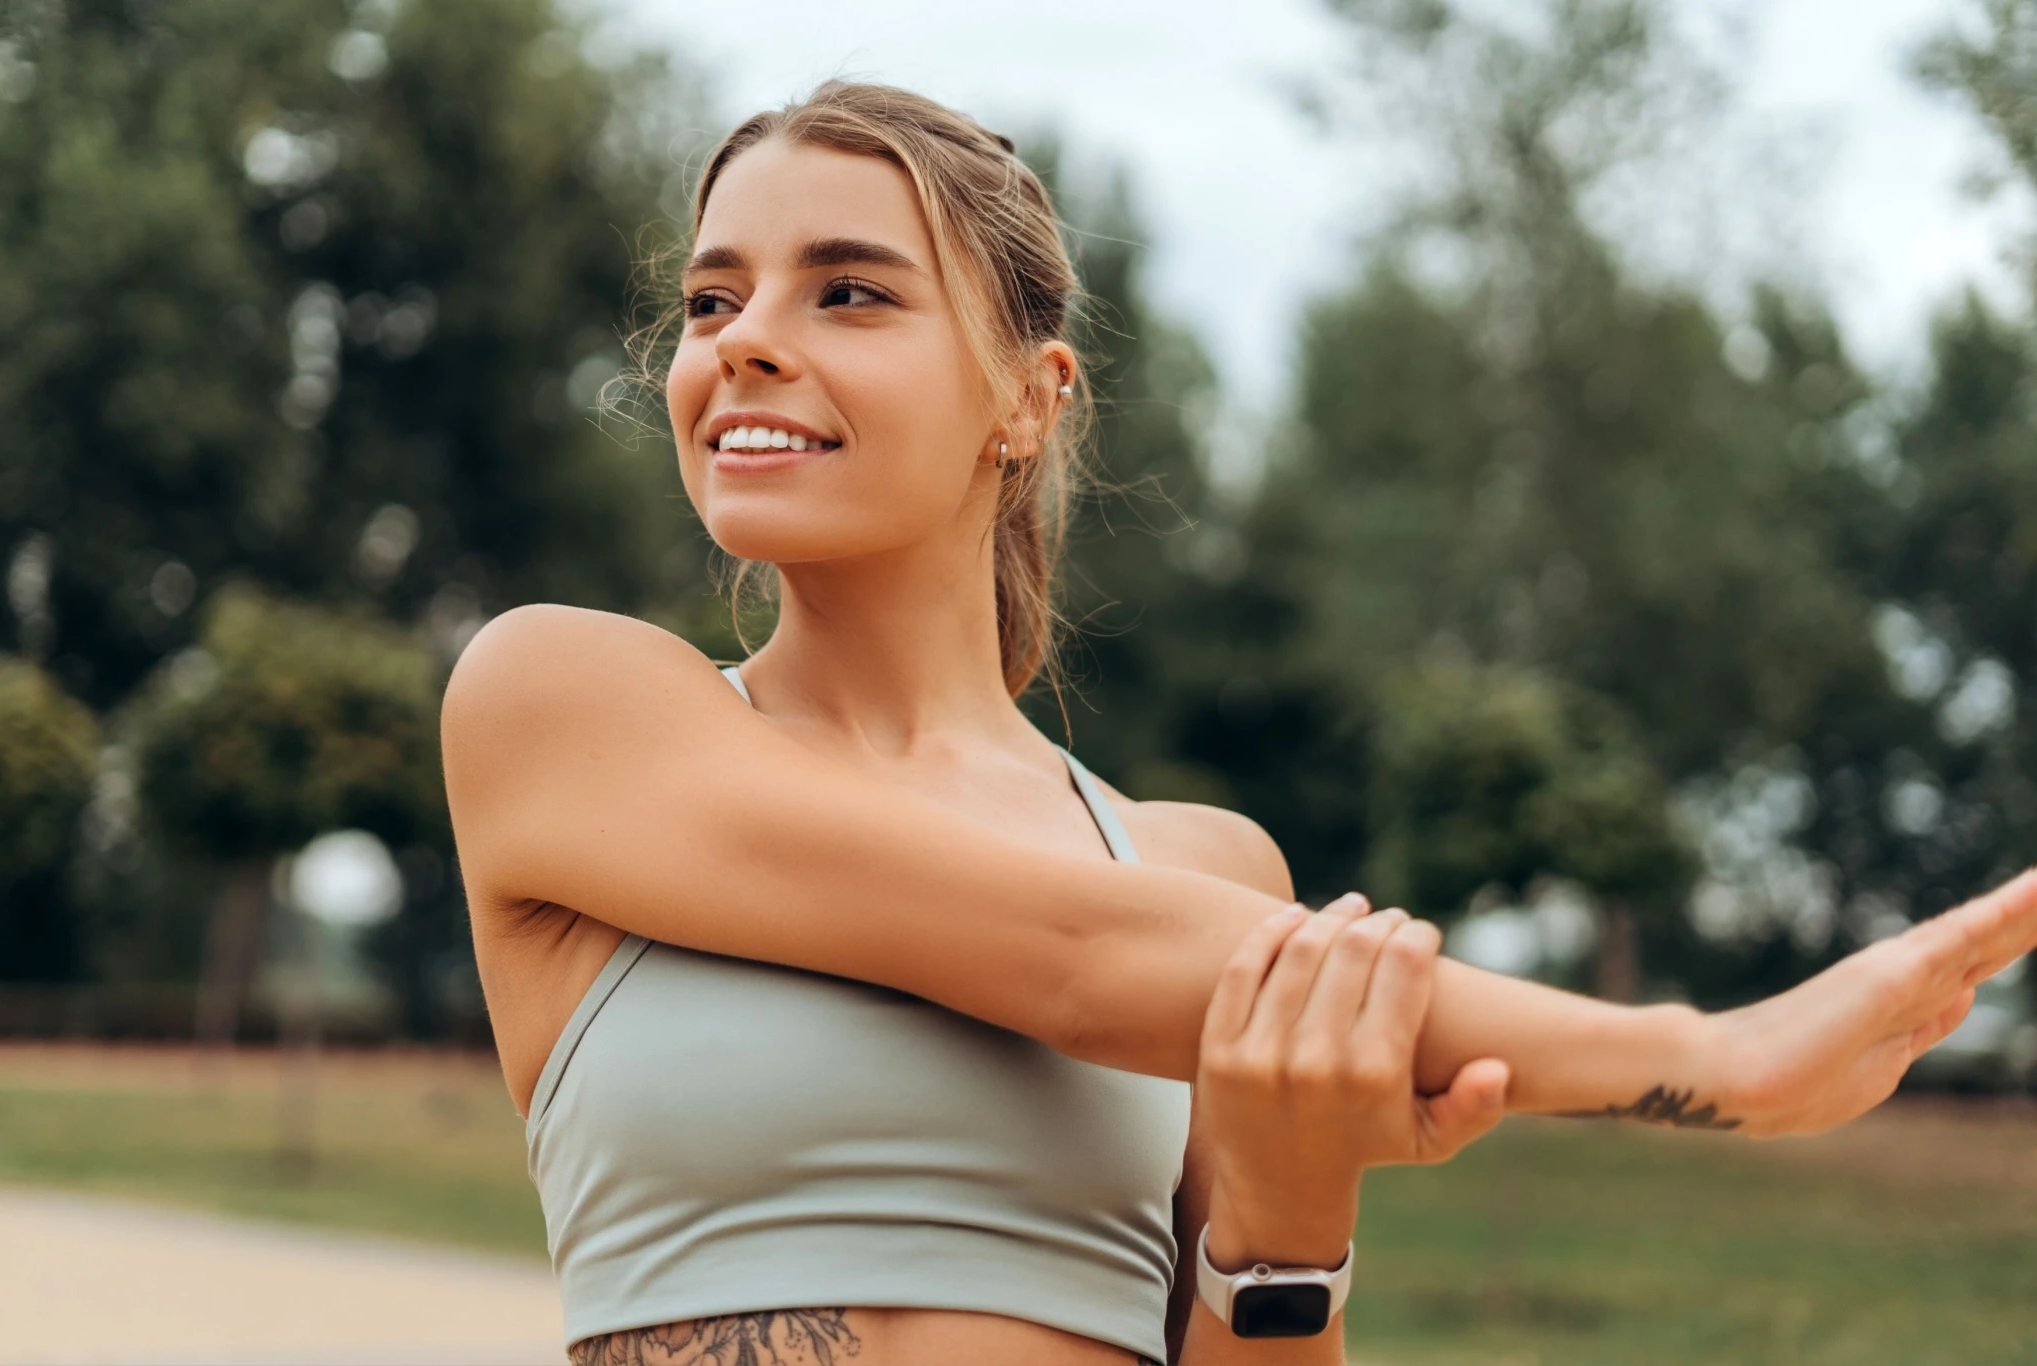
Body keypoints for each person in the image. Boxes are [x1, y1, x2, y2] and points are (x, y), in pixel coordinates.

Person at [440, 81, 2037, 1366]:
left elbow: (1252, 1322)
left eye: (850, 288)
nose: (743, 339)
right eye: (714, 295)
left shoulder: (1203, 865)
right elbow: (1067, 956)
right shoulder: (559, 705)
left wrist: (1286, 1234)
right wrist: (1704, 1056)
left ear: (1029, 396)